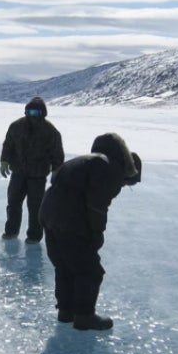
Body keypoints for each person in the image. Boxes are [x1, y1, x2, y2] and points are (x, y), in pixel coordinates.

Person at [39, 131, 141, 331]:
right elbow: (97, 205)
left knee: (65, 267)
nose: (123, 185)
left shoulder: (85, 161)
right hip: (69, 220)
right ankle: (84, 316)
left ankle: (66, 312)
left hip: (48, 214)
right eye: (127, 181)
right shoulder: (110, 167)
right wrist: (96, 234)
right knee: (90, 271)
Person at [0, 95, 64, 241]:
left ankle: (34, 236)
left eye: (36, 112)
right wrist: (4, 161)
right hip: (18, 173)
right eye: (29, 112)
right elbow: (8, 145)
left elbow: (57, 154)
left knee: (35, 208)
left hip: (38, 175)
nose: (32, 116)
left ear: (43, 113)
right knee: (13, 203)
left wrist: (56, 172)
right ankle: (11, 232)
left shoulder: (51, 131)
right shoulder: (16, 126)